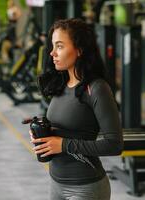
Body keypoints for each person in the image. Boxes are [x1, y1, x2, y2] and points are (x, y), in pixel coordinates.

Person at [30, 18, 123, 200]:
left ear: (79, 50)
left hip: (85, 188)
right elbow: (68, 125)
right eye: (52, 46)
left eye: (59, 46)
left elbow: (115, 144)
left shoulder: (96, 88)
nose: (52, 53)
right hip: (56, 183)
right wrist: (41, 132)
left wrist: (63, 145)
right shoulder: (61, 84)